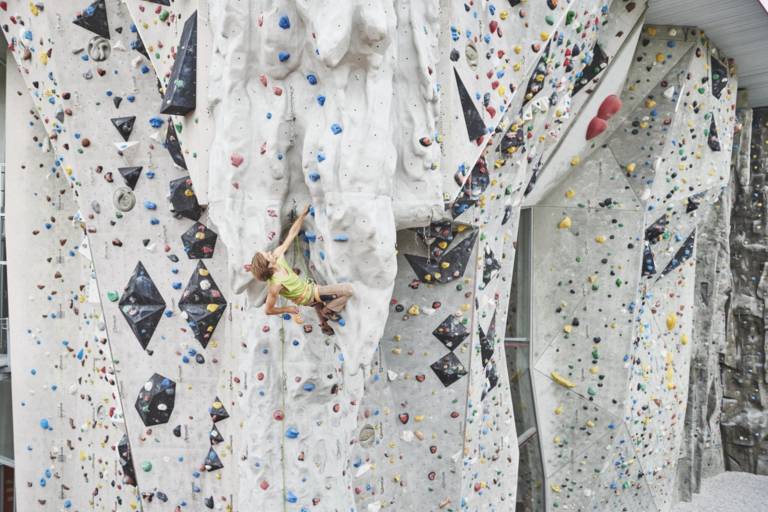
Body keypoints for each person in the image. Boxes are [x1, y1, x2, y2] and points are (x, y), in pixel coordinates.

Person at [250, 205, 353, 335]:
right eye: (266, 255)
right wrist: (288, 309)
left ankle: (325, 324)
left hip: (309, 289)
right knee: (349, 290)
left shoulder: (277, 256)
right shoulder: (275, 286)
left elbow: (291, 234)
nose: (269, 252)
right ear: (267, 264)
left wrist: (302, 216)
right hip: (309, 295)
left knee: (318, 299)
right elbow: (268, 310)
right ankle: (328, 310)